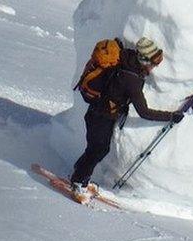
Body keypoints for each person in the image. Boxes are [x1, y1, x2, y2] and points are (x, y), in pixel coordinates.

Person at [70, 37, 183, 196]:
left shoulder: (127, 59)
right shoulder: (132, 80)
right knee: (99, 149)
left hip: (99, 112)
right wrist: (171, 116)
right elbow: (144, 112)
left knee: (96, 148)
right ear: (144, 60)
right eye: (153, 63)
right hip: (101, 116)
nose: (154, 68)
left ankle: (79, 174)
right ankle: (78, 182)